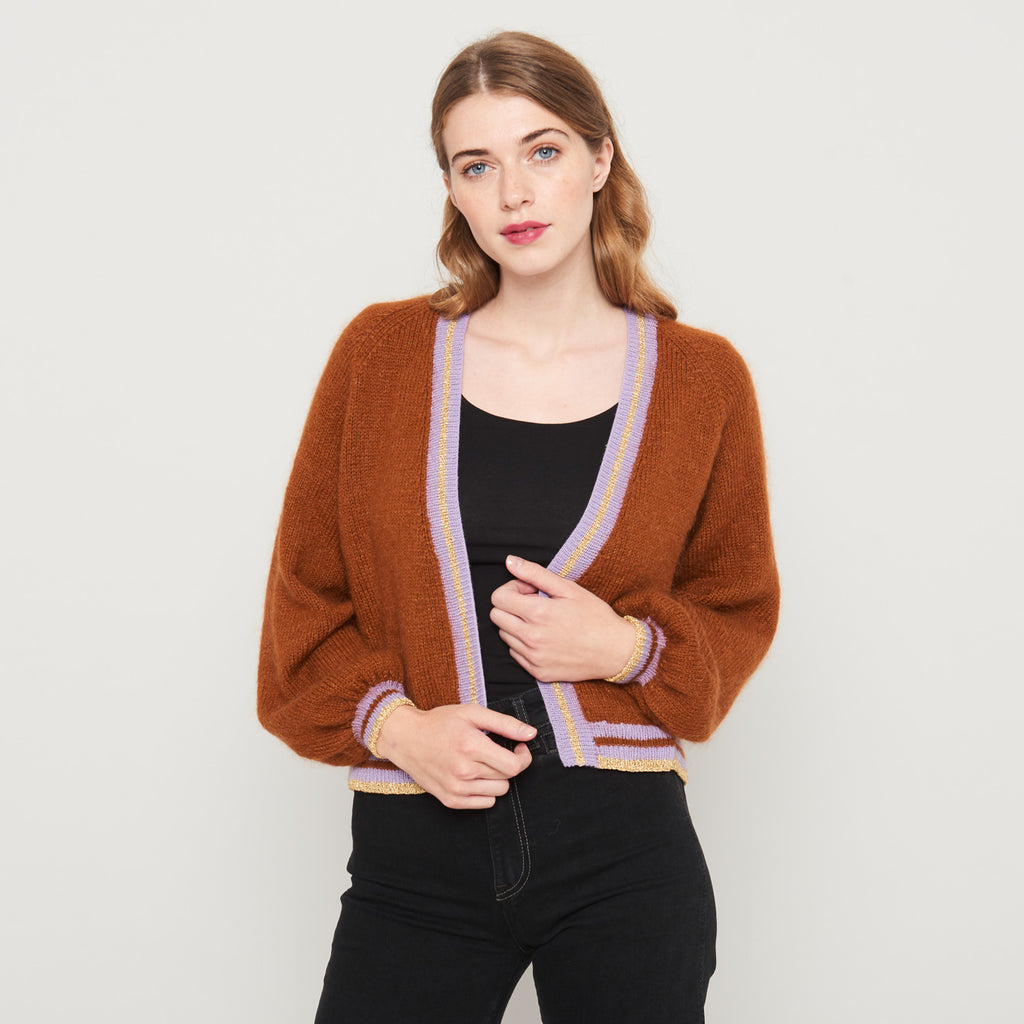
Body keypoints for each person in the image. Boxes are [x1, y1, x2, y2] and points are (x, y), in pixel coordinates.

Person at [257, 30, 779, 1024]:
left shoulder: (701, 378)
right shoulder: (380, 355)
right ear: (452, 189)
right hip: (416, 845)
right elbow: (304, 604)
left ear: (599, 158)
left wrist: (624, 648)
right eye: (476, 165)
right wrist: (400, 729)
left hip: (622, 848)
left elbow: (736, 599)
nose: (513, 193)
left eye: (543, 150)